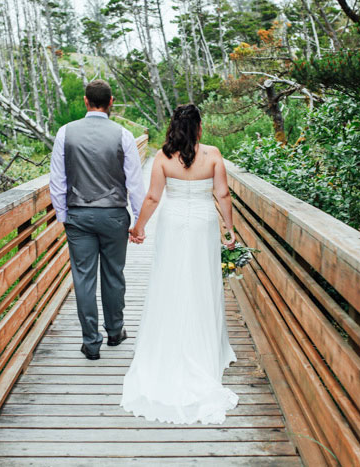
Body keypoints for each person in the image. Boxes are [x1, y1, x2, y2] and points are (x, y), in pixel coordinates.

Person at [120, 104, 239, 424]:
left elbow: (153, 198)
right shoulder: (213, 155)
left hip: (173, 224)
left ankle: (170, 344)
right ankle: (206, 349)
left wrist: (139, 227)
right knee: (202, 281)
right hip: (202, 223)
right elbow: (223, 194)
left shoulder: (163, 157)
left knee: (170, 281)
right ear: (199, 126)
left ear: (174, 127)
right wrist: (229, 228)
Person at [49, 79, 145, 361]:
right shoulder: (123, 135)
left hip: (78, 215)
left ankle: (91, 343)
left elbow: (58, 181)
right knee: (113, 274)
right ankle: (115, 332)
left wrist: (63, 216)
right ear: (111, 101)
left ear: (85, 101)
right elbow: (135, 183)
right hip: (114, 215)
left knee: (84, 279)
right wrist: (138, 222)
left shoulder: (65, 133)